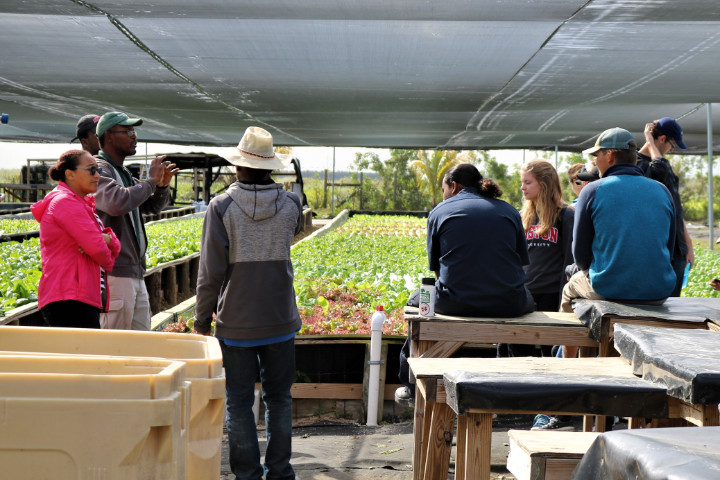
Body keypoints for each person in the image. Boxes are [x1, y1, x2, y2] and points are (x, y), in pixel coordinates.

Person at [194, 126, 302, 480]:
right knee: (279, 399)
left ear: (238, 167)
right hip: (280, 319)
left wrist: (201, 321)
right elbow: (296, 228)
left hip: (236, 322)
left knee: (239, 402)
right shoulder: (290, 204)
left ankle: (247, 475)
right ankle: (281, 472)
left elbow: (211, 271)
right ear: (270, 166)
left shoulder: (221, 206)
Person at [396, 163, 534, 405]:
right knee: (529, 299)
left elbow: (438, 271)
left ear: (453, 186)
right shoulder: (509, 211)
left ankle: (408, 381)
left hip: (456, 302)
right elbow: (521, 263)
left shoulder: (440, 211)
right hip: (509, 304)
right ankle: (524, 382)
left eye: (443, 189)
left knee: (417, 299)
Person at [561, 127, 676, 359]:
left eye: (597, 156)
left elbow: (580, 254)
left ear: (610, 156)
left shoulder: (592, 189)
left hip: (610, 288)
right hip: (659, 290)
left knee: (569, 290)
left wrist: (586, 270)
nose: (595, 162)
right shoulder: (662, 190)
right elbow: (670, 249)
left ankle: (568, 364)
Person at [93, 112, 178, 330]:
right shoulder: (99, 169)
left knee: (141, 342)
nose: (134, 136)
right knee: (116, 346)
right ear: (109, 136)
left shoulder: (124, 173)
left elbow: (150, 207)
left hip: (135, 271)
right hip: (115, 272)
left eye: (134, 131)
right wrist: (150, 182)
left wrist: (161, 186)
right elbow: (116, 202)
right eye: (128, 131)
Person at [31, 150, 121, 328]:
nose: (97, 175)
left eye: (98, 170)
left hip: (79, 295)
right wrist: (104, 246)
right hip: (69, 297)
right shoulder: (65, 202)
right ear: (69, 174)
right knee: (80, 353)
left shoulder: (81, 203)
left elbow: (109, 243)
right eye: (91, 170)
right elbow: (99, 250)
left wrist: (108, 240)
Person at [500, 160, 574, 358]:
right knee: (520, 353)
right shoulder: (521, 216)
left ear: (545, 183)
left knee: (552, 354)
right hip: (524, 296)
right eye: (522, 182)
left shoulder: (566, 216)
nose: (522, 187)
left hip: (552, 296)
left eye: (528, 182)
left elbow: (569, 261)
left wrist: (563, 301)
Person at [637, 117, 694, 297]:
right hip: (656, 248)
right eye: (672, 144)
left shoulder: (663, 166)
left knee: (672, 305)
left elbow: (675, 208)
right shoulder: (638, 166)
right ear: (662, 139)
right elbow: (659, 170)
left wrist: (687, 243)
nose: (671, 149)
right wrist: (649, 142)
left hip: (675, 248)